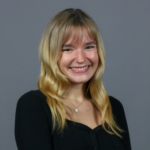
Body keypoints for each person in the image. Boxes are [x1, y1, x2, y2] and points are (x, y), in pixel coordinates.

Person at [15, 8, 131, 150]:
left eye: (89, 47)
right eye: (68, 49)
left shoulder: (113, 107)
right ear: (51, 54)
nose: (81, 59)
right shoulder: (33, 105)